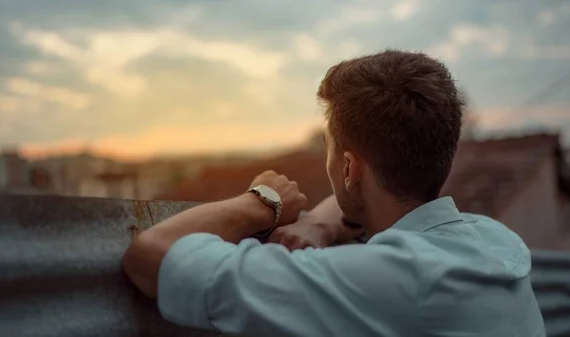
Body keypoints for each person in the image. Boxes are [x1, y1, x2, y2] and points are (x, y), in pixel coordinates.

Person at [122, 50, 546, 337]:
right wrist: (323, 224)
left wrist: (260, 202)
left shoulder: (389, 280)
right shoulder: (493, 240)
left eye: (330, 150)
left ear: (347, 167)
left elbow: (152, 256)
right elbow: (364, 214)